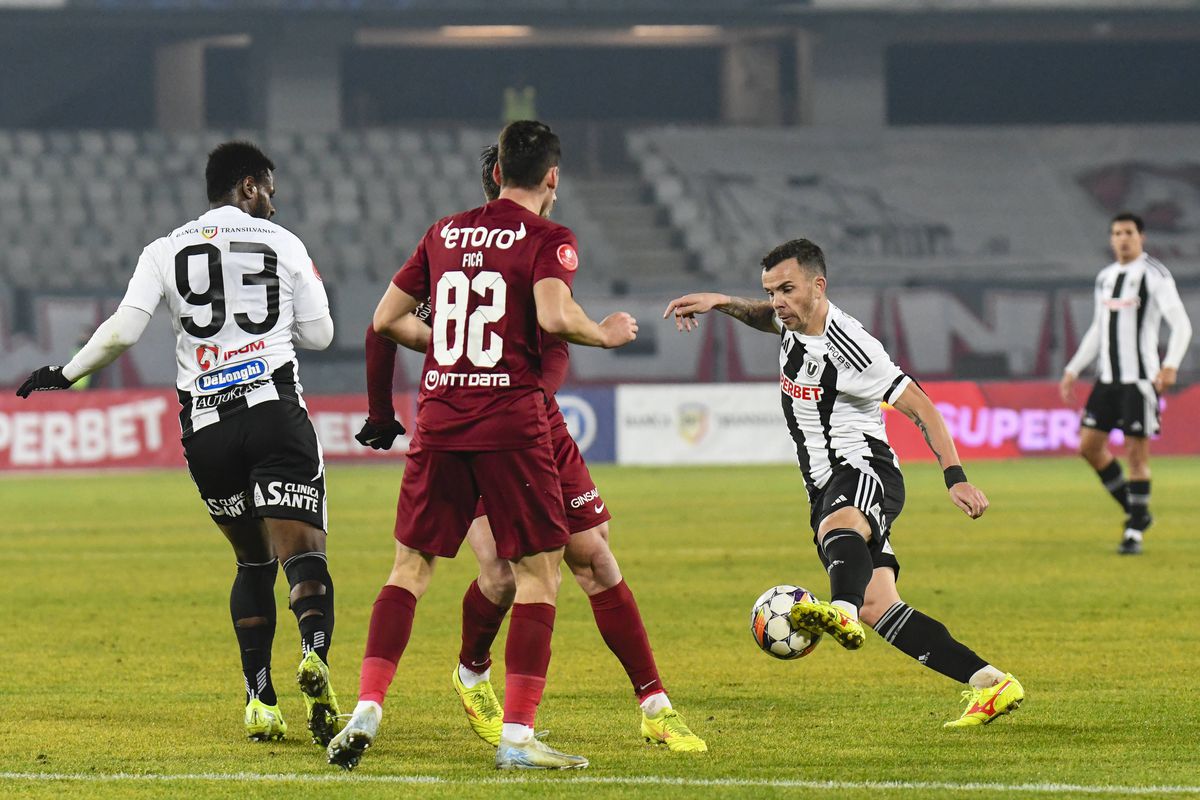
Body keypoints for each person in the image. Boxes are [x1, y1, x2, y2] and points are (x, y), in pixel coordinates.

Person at [358, 145, 706, 753]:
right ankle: (476, 679)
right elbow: (553, 327)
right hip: (499, 425)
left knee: (594, 557)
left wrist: (451, 384)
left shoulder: (492, 245)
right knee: (504, 572)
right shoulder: (517, 243)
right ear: (547, 177)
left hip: (523, 424)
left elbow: (391, 330)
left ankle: (655, 706)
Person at [16, 142, 342, 745]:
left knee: (251, 560)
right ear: (248, 186)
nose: (273, 199)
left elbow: (123, 329)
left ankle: (259, 700)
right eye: (268, 187)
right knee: (304, 554)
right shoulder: (285, 242)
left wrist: (64, 372)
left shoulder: (163, 250)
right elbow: (321, 335)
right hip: (273, 410)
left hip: (208, 428)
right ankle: (315, 654)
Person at [664, 238, 1024, 728]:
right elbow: (762, 317)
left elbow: (923, 407)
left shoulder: (851, 346)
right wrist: (719, 302)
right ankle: (991, 683)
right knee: (882, 605)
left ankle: (839, 609)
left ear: (819, 285)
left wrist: (954, 478)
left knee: (840, 526)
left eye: (787, 289)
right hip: (822, 482)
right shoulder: (790, 321)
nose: (778, 302)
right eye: (771, 291)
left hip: (863, 468)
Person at [1059, 212, 1192, 555]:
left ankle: (1134, 531)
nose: (1122, 238)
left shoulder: (1155, 276)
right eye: (1117, 233)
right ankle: (1137, 512)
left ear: (1141, 237)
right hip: (1107, 380)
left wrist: (1171, 365)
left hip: (1139, 381)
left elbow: (1182, 325)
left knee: (1136, 455)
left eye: (1129, 232)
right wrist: (1073, 368)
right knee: (1089, 448)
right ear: (1111, 238)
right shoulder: (1105, 277)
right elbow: (1098, 329)